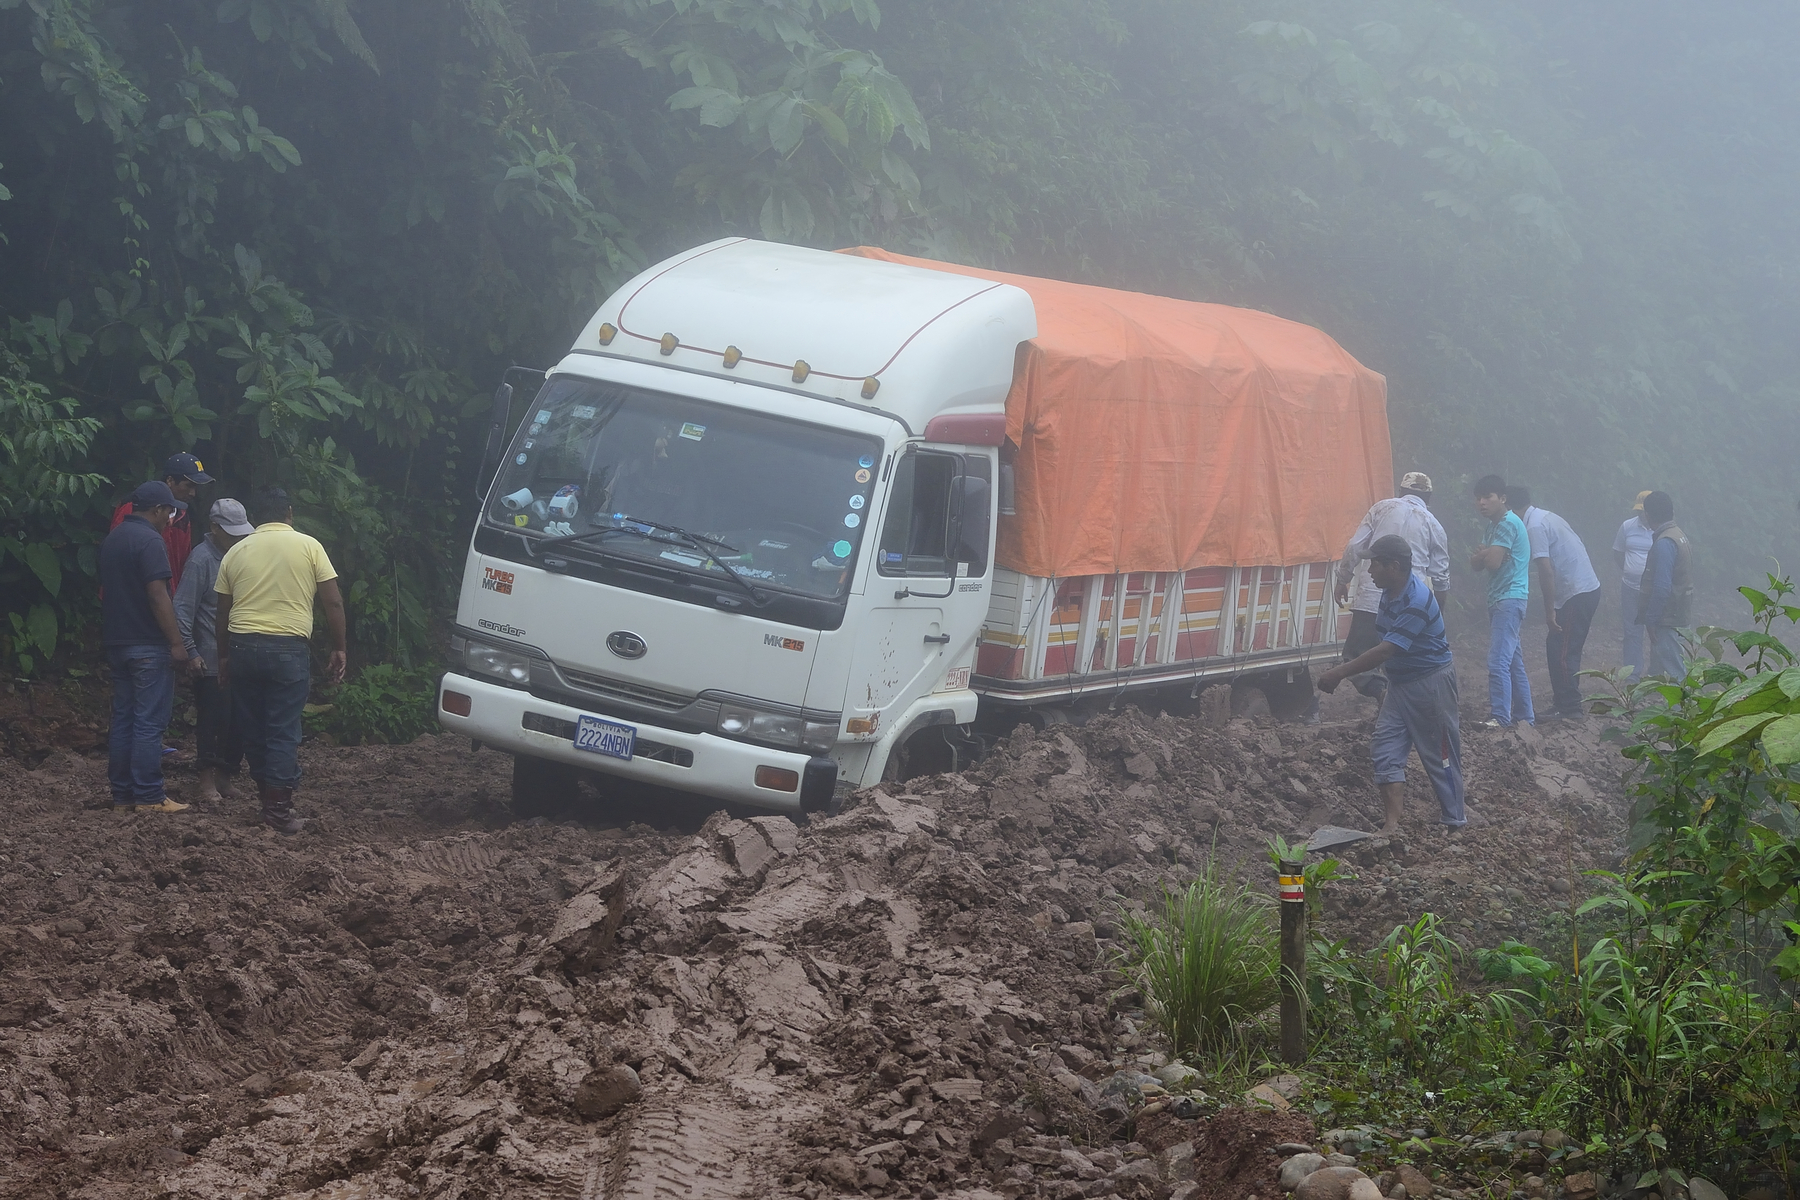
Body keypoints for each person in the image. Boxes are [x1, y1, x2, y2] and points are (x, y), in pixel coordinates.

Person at [214, 487, 347, 833]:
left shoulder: (236, 551)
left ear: (255, 517)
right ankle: (278, 811)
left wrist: (224, 656)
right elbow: (333, 602)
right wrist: (339, 647)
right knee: (282, 730)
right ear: (289, 512)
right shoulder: (310, 546)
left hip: (243, 646)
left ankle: (267, 802)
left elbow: (222, 612)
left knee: (252, 727)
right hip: (288, 649)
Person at [1317, 535, 1464, 833]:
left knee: (1440, 755)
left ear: (1394, 567)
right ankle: (1392, 825)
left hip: (1430, 683)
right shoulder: (1389, 592)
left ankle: (1455, 822)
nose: (1370, 571)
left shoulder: (1417, 600)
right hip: (1399, 684)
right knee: (1385, 748)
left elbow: (1386, 649)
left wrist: (1339, 673)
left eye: (1375, 564)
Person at [99, 481, 193, 813]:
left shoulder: (114, 539)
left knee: (124, 720)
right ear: (156, 509)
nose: (170, 518)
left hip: (117, 642)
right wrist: (176, 643)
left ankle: (123, 796)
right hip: (148, 645)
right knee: (148, 723)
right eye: (169, 511)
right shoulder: (150, 541)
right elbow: (157, 595)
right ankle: (150, 796)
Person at [1333, 471, 1451, 703]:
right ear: (1428, 498)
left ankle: (1382, 694)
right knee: (1401, 660)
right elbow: (1441, 576)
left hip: (1371, 598)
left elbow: (1355, 546)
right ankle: (1394, 703)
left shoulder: (1381, 508)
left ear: (1400, 491)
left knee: (1356, 658)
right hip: (1410, 605)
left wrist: (1342, 578)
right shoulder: (1434, 524)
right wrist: (1436, 616)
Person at [174, 498, 256, 803]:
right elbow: (183, 608)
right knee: (212, 720)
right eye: (231, 532)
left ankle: (225, 774)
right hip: (209, 655)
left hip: (240, 652)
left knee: (238, 721)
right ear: (214, 528)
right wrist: (190, 651)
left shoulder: (243, 555)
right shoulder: (202, 560)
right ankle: (206, 777)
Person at [1509, 487, 1603, 721]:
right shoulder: (1545, 516)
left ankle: (1570, 708)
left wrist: (1549, 610)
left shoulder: (1534, 526)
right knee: (1562, 647)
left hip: (1576, 592)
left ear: (1510, 508)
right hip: (1583, 587)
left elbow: (1545, 570)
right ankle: (1564, 703)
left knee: (1561, 650)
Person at [1468, 475, 1533, 728]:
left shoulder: (1507, 523)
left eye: (1488, 497)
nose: (1482, 503)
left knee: (1498, 661)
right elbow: (1476, 564)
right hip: (1501, 598)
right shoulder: (1493, 526)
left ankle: (1501, 718)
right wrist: (1487, 554)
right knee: (1514, 663)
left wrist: (1485, 554)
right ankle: (1525, 718)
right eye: (1478, 498)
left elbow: (1492, 563)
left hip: (1509, 598)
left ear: (1503, 498)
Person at [108, 452, 215, 591]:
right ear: (170, 480)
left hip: (167, 595)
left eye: (195, 487)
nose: (192, 493)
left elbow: (182, 562)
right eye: (188, 486)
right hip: (130, 594)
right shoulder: (135, 506)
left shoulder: (182, 516)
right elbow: (117, 553)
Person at [1637, 491, 1691, 679]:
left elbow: (1661, 588)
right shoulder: (1679, 535)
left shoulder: (1664, 543)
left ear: (1647, 515)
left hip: (1668, 616)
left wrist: (1651, 619)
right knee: (1668, 666)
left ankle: (1681, 699)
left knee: (1675, 672)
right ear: (1671, 512)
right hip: (1679, 609)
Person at [1613, 491, 1654, 677]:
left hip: (1653, 590)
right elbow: (1618, 552)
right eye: (1639, 511)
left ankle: (1657, 674)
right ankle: (1632, 675)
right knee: (1631, 632)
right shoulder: (1627, 526)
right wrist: (1630, 571)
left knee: (1656, 631)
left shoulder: (1661, 530)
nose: (1641, 514)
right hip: (1630, 587)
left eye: (1644, 511)